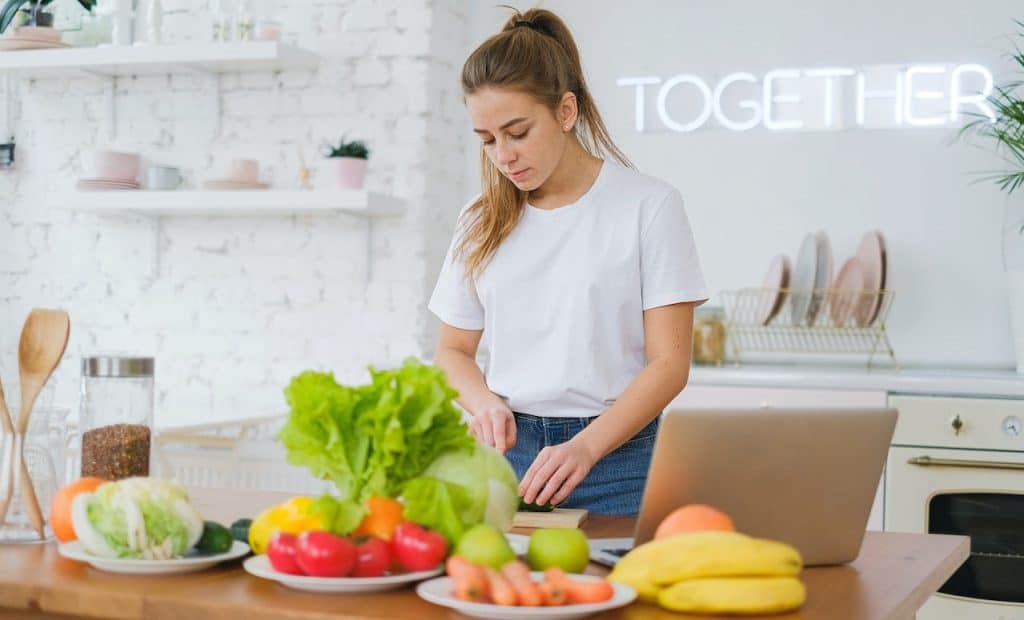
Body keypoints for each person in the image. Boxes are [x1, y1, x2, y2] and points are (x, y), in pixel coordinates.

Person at [429, 8, 707, 516]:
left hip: (618, 462)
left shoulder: (648, 206)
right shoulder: (480, 218)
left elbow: (669, 364)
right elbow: (452, 350)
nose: (503, 156)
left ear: (565, 111)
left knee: (617, 594)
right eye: (487, 140)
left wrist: (587, 447)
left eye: (517, 132)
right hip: (507, 459)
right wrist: (484, 402)